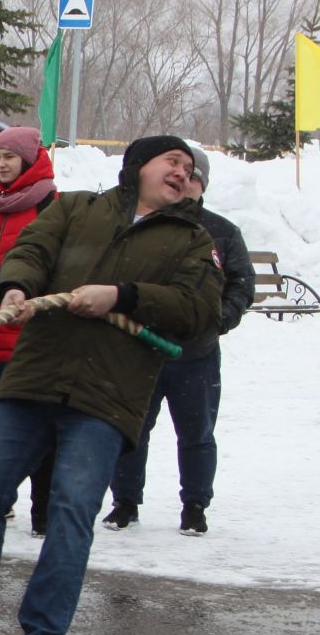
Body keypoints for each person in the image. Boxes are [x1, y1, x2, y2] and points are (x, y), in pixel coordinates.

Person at [0, 136, 223, 635]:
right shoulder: (76, 207)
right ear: (139, 167)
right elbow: (31, 248)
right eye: (171, 163)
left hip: (106, 398)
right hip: (32, 378)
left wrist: (123, 296)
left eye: (188, 168)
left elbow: (199, 310)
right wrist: (16, 286)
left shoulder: (192, 240)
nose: (181, 173)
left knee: (71, 511)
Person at [105, 143, 254, 535]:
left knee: (196, 434)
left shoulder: (221, 231)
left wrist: (220, 319)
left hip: (197, 354)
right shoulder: (146, 226)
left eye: (193, 177)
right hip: (143, 347)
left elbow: (241, 283)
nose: (185, 183)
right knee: (132, 429)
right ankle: (124, 501)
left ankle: (194, 505)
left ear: (201, 185)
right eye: (180, 175)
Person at [0, 126, 59, 536]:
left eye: (8, 157)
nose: (0, 165)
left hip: (32, 335)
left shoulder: (49, 206)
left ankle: (44, 509)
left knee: (38, 426)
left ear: (28, 160)